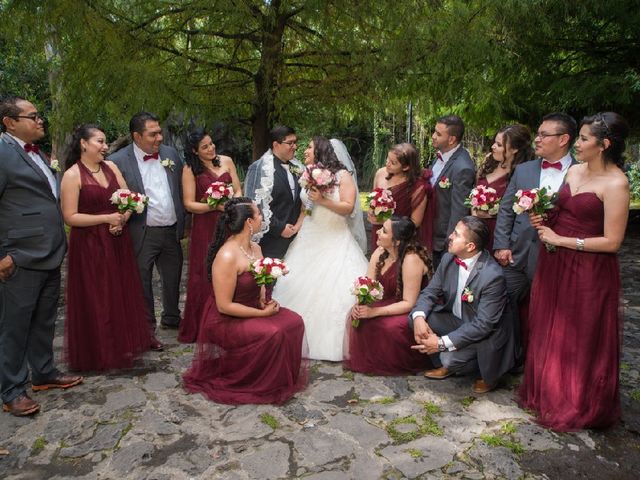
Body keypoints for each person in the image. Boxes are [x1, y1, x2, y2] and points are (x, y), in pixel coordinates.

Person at [518, 112, 629, 431]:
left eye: (582, 139)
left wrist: (563, 239)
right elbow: (561, 211)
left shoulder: (616, 183)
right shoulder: (574, 171)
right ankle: (548, 394)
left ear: (604, 145)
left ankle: (578, 402)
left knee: (581, 332)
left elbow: (612, 242)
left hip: (589, 269)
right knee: (551, 325)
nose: (576, 144)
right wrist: (542, 218)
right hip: (555, 261)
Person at [0, 95, 82, 417]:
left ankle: (44, 373)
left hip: (49, 252)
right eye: (32, 116)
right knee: (14, 326)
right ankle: (11, 389)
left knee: (43, 320)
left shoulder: (36, 154)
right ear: (9, 122)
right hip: (19, 256)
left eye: (39, 116)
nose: (40, 121)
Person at [183, 198, 308, 405]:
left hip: (253, 308)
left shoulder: (255, 248)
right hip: (227, 319)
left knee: (295, 321)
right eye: (259, 214)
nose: (262, 217)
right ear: (249, 222)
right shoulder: (227, 255)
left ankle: (278, 377)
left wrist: (263, 300)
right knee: (274, 332)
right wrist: (261, 315)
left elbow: (259, 282)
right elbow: (224, 306)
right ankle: (260, 382)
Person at [60, 124, 152, 371]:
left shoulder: (111, 167)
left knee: (118, 292)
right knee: (96, 295)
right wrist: (106, 219)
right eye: (100, 141)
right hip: (89, 245)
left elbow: (130, 199)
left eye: (105, 142)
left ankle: (121, 346)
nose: (105, 146)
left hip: (117, 240)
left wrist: (122, 217)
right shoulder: (72, 175)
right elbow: (70, 217)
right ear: (83, 144)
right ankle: (99, 351)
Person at [273, 137, 368, 361]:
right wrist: (297, 226)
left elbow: (347, 207)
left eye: (309, 147)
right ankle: (293, 334)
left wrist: (323, 200)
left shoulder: (343, 175)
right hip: (309, 235)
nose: (305, 150)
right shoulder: (309, 172)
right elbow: (307, 205)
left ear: (321, 150)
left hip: (334, 237)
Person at [493, 113, 576, 360]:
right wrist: (501, 245)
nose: (537, 139)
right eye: (537, 134)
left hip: (558, 257)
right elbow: (507, 209)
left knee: (554, 313)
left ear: (563, 139)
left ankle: (546, 361)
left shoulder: (580, 173)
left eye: (543, 135)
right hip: (517, 256)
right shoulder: (524, 170)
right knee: (500, 301)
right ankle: (506, 359)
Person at [410, 216, 516, 393]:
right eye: (453, 232)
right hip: (457, 320)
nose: (450, 236)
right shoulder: (448, 259)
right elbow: (430, 292)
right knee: (415, 318)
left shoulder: (492, 276)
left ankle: (484, 371)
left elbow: (483, 325)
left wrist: (441, 343)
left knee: (448, 359)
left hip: (484, 334)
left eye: (456, 235)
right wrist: (419, 318)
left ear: (470, 247)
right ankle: (449, 360)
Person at [109, 112, 185, 349]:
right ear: (136, 136)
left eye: (160, 132)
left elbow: (180, 188)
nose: (159, 137)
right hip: (141, 231)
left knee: (173, 276)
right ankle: (146, 330)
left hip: (171, 230)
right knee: (142, 281)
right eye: (153, 134)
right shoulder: (118, 160)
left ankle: (172, 318)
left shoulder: (171, 154)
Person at [345, 217, 433, 375]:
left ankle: (394, 362)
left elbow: (409, 302)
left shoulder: (411, 259)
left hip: (413, 307)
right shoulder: (380, 252)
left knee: (389, 327)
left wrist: (375, 312)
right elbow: (368, 283)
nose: (378, 231)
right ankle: (372, 359)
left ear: (397, 241)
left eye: (384, 231)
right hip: (389, 300)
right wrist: (360, 303)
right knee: (358, 317)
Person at [179, 129, 242, 343]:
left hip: (230, 224)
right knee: (204, 272)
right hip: (206, 226)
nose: (211, 148)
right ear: (195, 152)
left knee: (233, 269)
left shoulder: (227, 161)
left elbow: (238, 190)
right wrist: (213, 206)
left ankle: (233, 321)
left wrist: (233, 205)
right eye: (204, 147)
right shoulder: (190, 170)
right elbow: (189, 204)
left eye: (211, 143)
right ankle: (206, 325)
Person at [244, 125, 303, 259]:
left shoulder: (298, 168)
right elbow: (255, 205)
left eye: (295, 142)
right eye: (290, 143)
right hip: (271, 241)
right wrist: (280, 228)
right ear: (276, 144)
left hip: (297, 237)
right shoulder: (259, 168)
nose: (295, 146)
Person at [473, 125, 534, 251]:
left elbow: (517, 209)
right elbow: (474, 191)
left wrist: (492, 213)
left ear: (514, 149)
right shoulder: (488, 161)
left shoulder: (521, 174)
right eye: (494, 142)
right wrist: (474, 212)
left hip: (498, 232)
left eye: (499, 145)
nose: (493, 147)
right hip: (475, 227)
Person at [429, 115, 476, 270]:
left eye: (438, 134)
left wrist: (450, 243)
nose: (433, 136)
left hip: (444, 240)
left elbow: (459, 211)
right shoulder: (439, 158)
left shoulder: (463, 167)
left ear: (452, 139)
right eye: (434, 132)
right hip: (432, 233)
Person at [369, 143, 432, 251]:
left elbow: (415, 221)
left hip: (398, 238)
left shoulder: (418, 187)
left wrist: (384, 221)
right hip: (378, 232)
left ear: (406, 167)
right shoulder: (380, 173)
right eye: (387, 159)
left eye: (393, 163)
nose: (387, 164)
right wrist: (371, 213)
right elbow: (372, 199)